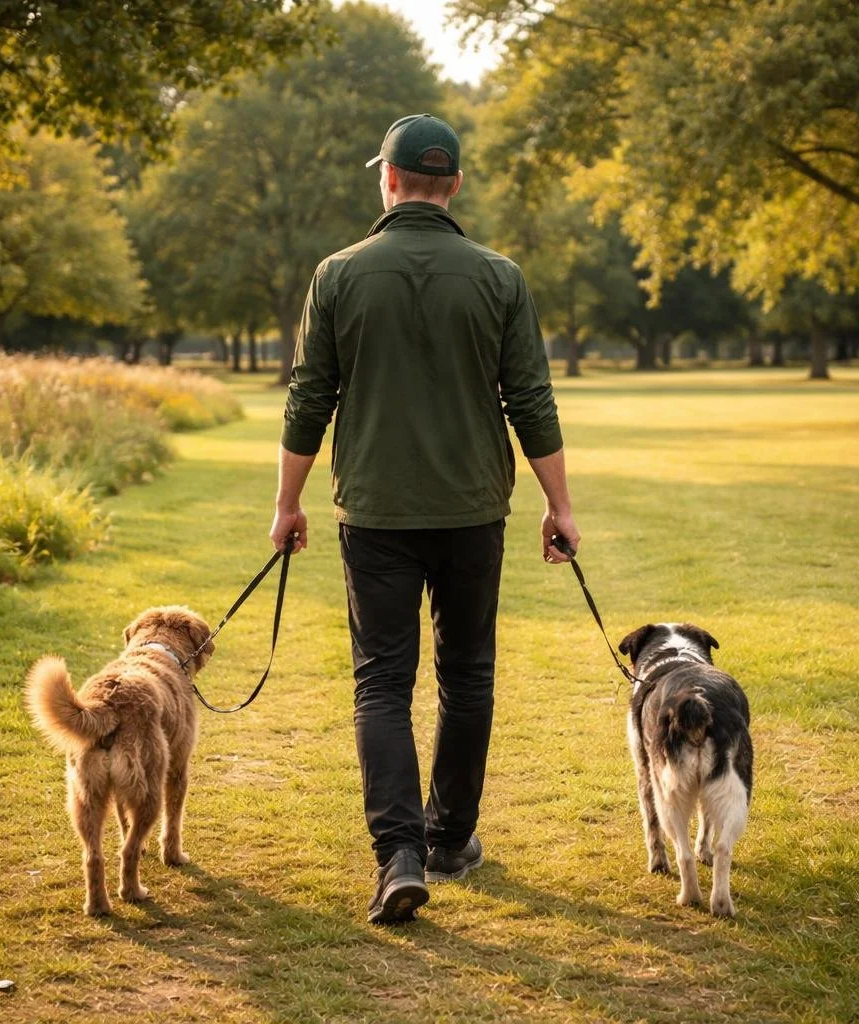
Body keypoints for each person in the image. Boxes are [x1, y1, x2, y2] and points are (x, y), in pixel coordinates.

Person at [269, 113, 580, 925]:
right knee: (467, 673)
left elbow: (309, 398)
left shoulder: (337, 274)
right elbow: (531, 400)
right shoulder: (500, 277)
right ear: (456, 185)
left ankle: (399, 856)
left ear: (390, 180)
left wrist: (286, 503)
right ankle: (449, 840)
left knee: (382, 682)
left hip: (373, 512)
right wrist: (559, 505)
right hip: (473, 509)